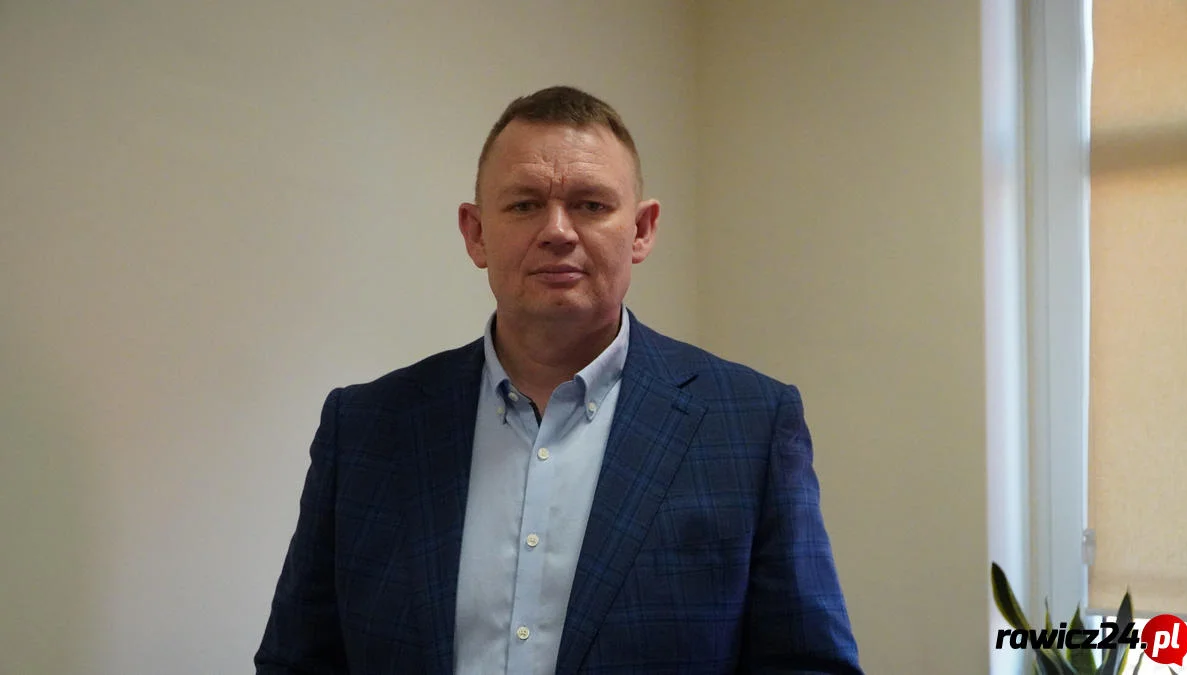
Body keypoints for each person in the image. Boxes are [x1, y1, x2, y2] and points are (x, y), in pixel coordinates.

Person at [255, 85, 861, 675]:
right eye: (524, 204)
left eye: (591, 205)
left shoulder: (750, 425)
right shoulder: (365, 428)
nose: (558, 231)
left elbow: (805, 663)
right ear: (476, 233)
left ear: (642, 230)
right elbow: (298, 660)